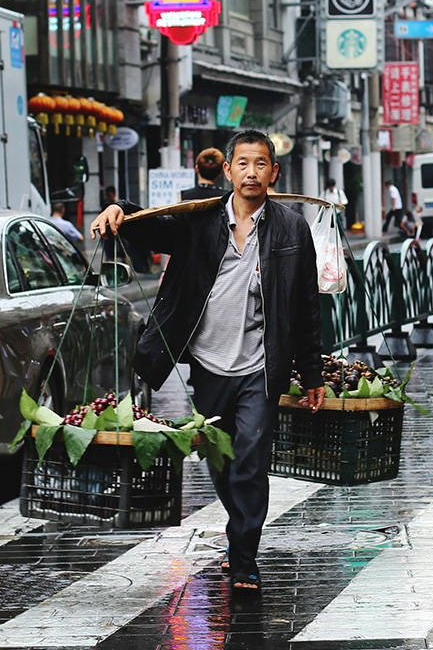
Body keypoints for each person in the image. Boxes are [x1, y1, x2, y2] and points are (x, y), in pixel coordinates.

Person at [89, 129, 324, 593]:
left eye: (261, 164)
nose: (252, 172)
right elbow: (154, 227)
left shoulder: (291, 228)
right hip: (209, 363)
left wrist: (311, 372)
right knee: (220, 459)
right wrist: (121, 212)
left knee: (250, 461)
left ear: (274, 172)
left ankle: (244, 560)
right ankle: (240, 533)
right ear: (229, 171)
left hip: (261, 366)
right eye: (243, 163)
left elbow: (306, 305)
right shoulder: (201, 219)